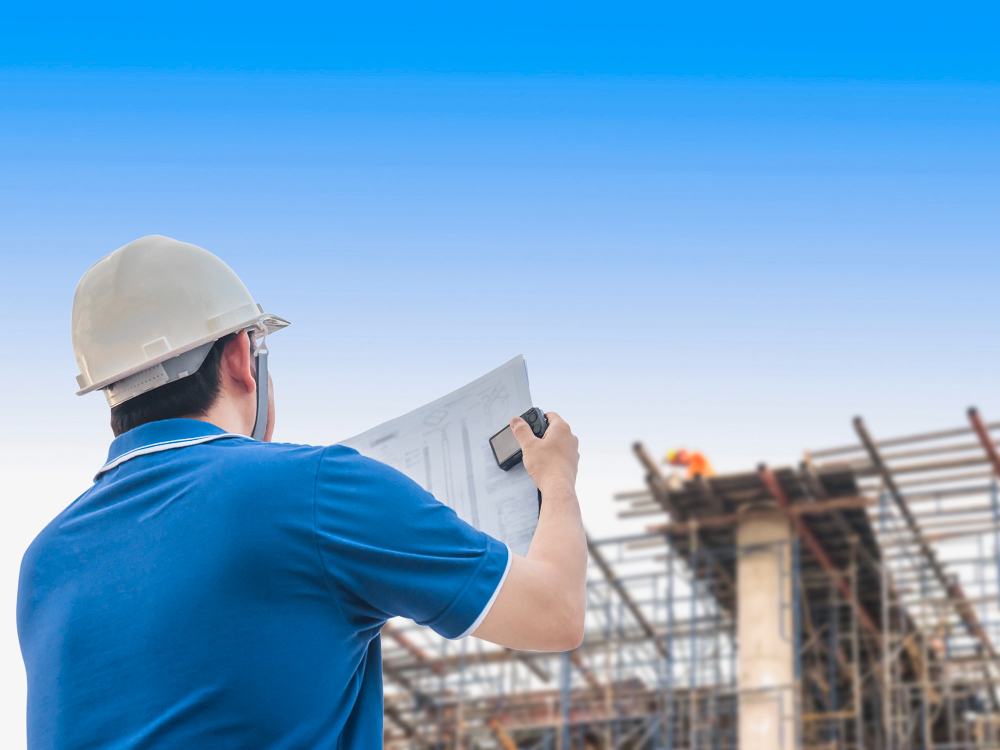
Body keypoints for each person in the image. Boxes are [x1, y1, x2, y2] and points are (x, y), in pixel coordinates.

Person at [17, 235, 586, 749]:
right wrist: (556, 479)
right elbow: (556, 612)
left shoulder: (43, 562)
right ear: (242, 355)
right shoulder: (314, 488)